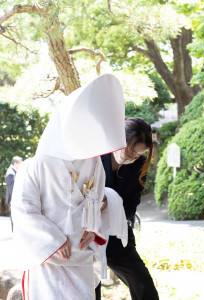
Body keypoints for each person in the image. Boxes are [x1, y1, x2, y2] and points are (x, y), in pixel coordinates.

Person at [11, 74, 127, 300]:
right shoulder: (36, 165)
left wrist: (93, 229)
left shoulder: (94, 163)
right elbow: (24, 211)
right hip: (48, 260)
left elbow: (96, 202)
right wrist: (53, 241)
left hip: (81, 258)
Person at [95, 117, 159, 300]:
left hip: (117, 233)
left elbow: (131, 207)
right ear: (117, 140)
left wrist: (110, 202)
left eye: (137, 155)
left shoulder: (140, 166)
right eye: (129, 151)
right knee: (90, 290)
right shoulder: (96, 154)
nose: (131, 158)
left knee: (144, 287)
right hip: (87, 234)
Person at [5, 156, 22, 231]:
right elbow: (12, 189)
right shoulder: (10, 173)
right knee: (14, 216)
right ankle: (15, 233)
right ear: (15, 163)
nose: (21, 165)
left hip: (14, 199)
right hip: (13, 199)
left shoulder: (13, 171)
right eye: (20, 163)